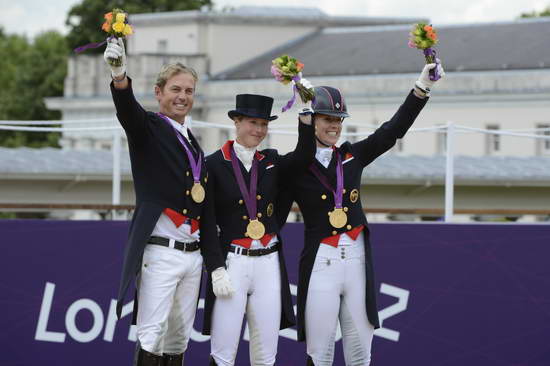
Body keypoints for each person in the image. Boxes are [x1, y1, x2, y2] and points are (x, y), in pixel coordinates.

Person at [287, 62, 446, 365]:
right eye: (326, 118)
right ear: (312, 119)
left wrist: (422, 87)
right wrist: (304, 117)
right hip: (322, 263)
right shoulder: (297, 166)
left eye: (338, 119)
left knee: (361, 354)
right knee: (319, 354)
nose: (334, 125)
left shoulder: (352, 156)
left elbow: (391, 132)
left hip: (357, 261)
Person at [103, 38, 233, 366]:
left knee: (178, 338)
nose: (183, 97)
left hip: (192, 256)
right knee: (152, 333)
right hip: (161, 251)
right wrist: (120, 78)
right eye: (176, 89)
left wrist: (215, 264)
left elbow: (206, 211)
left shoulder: (194, 143)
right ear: (159, 92)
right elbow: (128, 112)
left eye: (189, 91)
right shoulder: (148, 128)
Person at [201, 93, 316, 366]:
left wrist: (305, 113)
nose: (259, 130)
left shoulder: (271, 161)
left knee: (266, 354)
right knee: (223, 353)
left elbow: (303, 157)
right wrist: (215, 268)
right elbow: (205, 221)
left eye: (264, 124)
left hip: (268, 261)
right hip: (233, 261)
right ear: (236, 122)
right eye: (253, 122)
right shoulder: (213, 164)